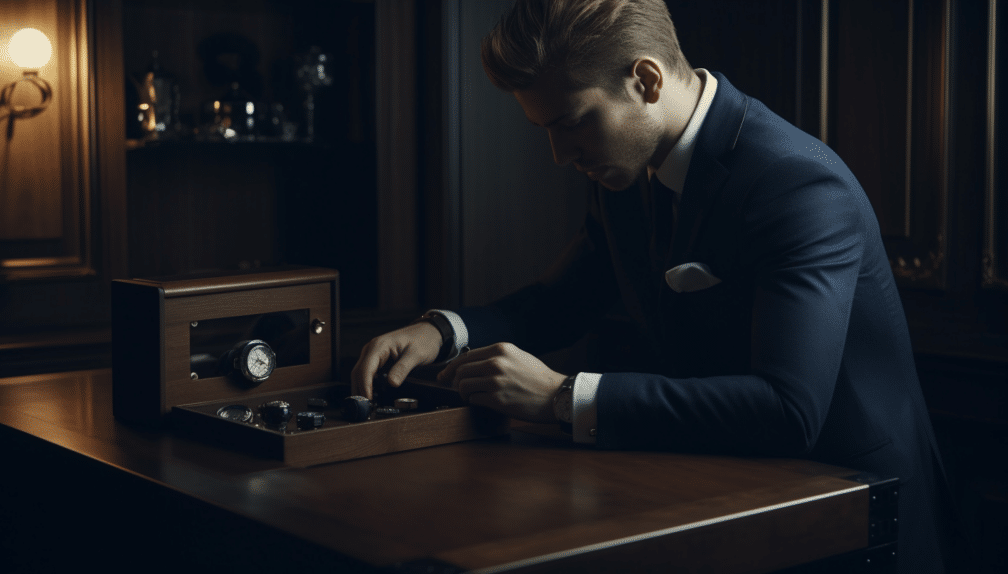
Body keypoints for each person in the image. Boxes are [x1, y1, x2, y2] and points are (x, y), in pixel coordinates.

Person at [352, 1, 953, 571]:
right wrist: (441, 332)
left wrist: (562, 396)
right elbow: (562, 302)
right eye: (545, 130)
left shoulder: (798, 186)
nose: (560, 155)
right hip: (726, 499)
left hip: (854, 521)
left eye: (572, 122)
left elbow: (789, 410)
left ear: (645, 80)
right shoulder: (624, 165)